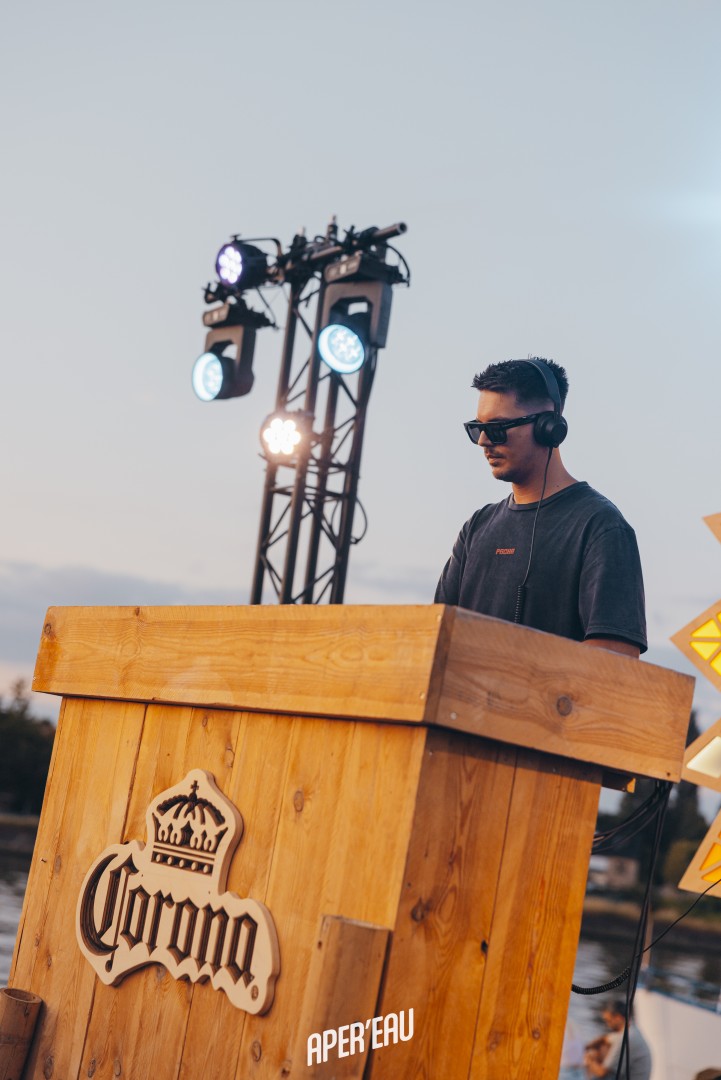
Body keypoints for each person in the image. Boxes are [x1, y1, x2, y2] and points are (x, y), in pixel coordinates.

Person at [434, 358, 646, 657]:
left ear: (549, 427)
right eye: (477, 428)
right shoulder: (476, 528)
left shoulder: (601, 526)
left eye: (497, 428)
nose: (483, 441)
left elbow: (616, 657)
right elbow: (435, 633)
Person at [584, 999, 652, 1079]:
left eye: (608, 1021)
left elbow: (602, 1072)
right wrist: (588, 1046)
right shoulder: (632, 1030)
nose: (607, 1025)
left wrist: (588, 1060)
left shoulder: (626, 1039)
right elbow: (606, 1038)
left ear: (618, 1017)